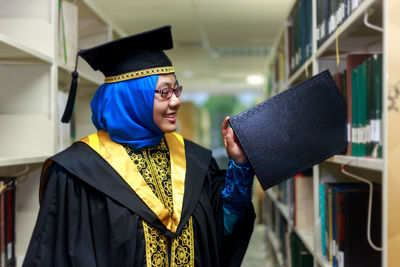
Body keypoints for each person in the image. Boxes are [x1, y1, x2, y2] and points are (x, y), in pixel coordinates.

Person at [23, 25, 255, 267]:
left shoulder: (194, 160)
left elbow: (223, 226)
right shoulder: (77, 173)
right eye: (164, 92)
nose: (176, 100)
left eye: (176, 89)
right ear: (130, 98)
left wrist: (240, 165)